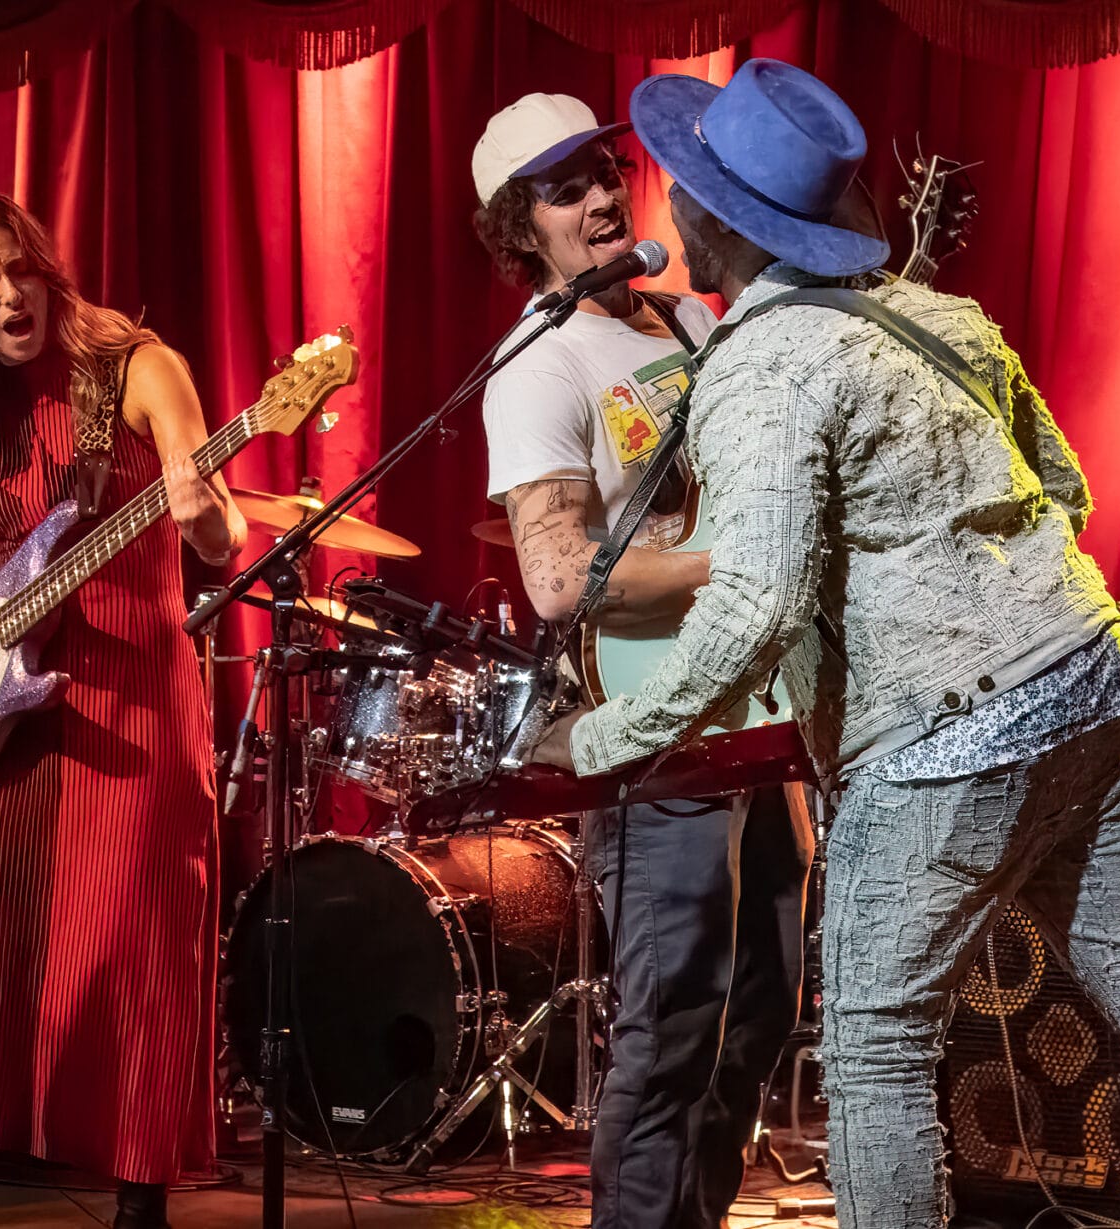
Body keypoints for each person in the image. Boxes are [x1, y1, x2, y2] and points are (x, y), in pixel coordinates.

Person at [531, 58, 1120, 1229]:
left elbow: (757, 602)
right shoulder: (943, 317)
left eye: (678, 183)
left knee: (874, 1049)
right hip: (1102, 687)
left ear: (711, 215)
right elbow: (1064, 493)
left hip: (949, 738)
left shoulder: (764, 363)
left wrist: (607, 736)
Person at [471, 95, 813, 1229]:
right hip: (658, 722)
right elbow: (561, 577)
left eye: (607, 169)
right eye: (566, 188)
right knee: (671, 1026)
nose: (605, 195)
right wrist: (745, 567)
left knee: (760, 1007)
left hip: (758, 709)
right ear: (523, 230)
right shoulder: (540, 367)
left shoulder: (694, 324)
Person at [0, 194, 246, 1229]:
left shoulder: (136, 368)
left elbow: (217, 535)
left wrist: (201, 508)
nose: (6, 298)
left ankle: (140, 1203)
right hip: (0, 700)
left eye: (17, 273)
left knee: (133, 944)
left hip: (129, 697)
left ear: (45, 268)